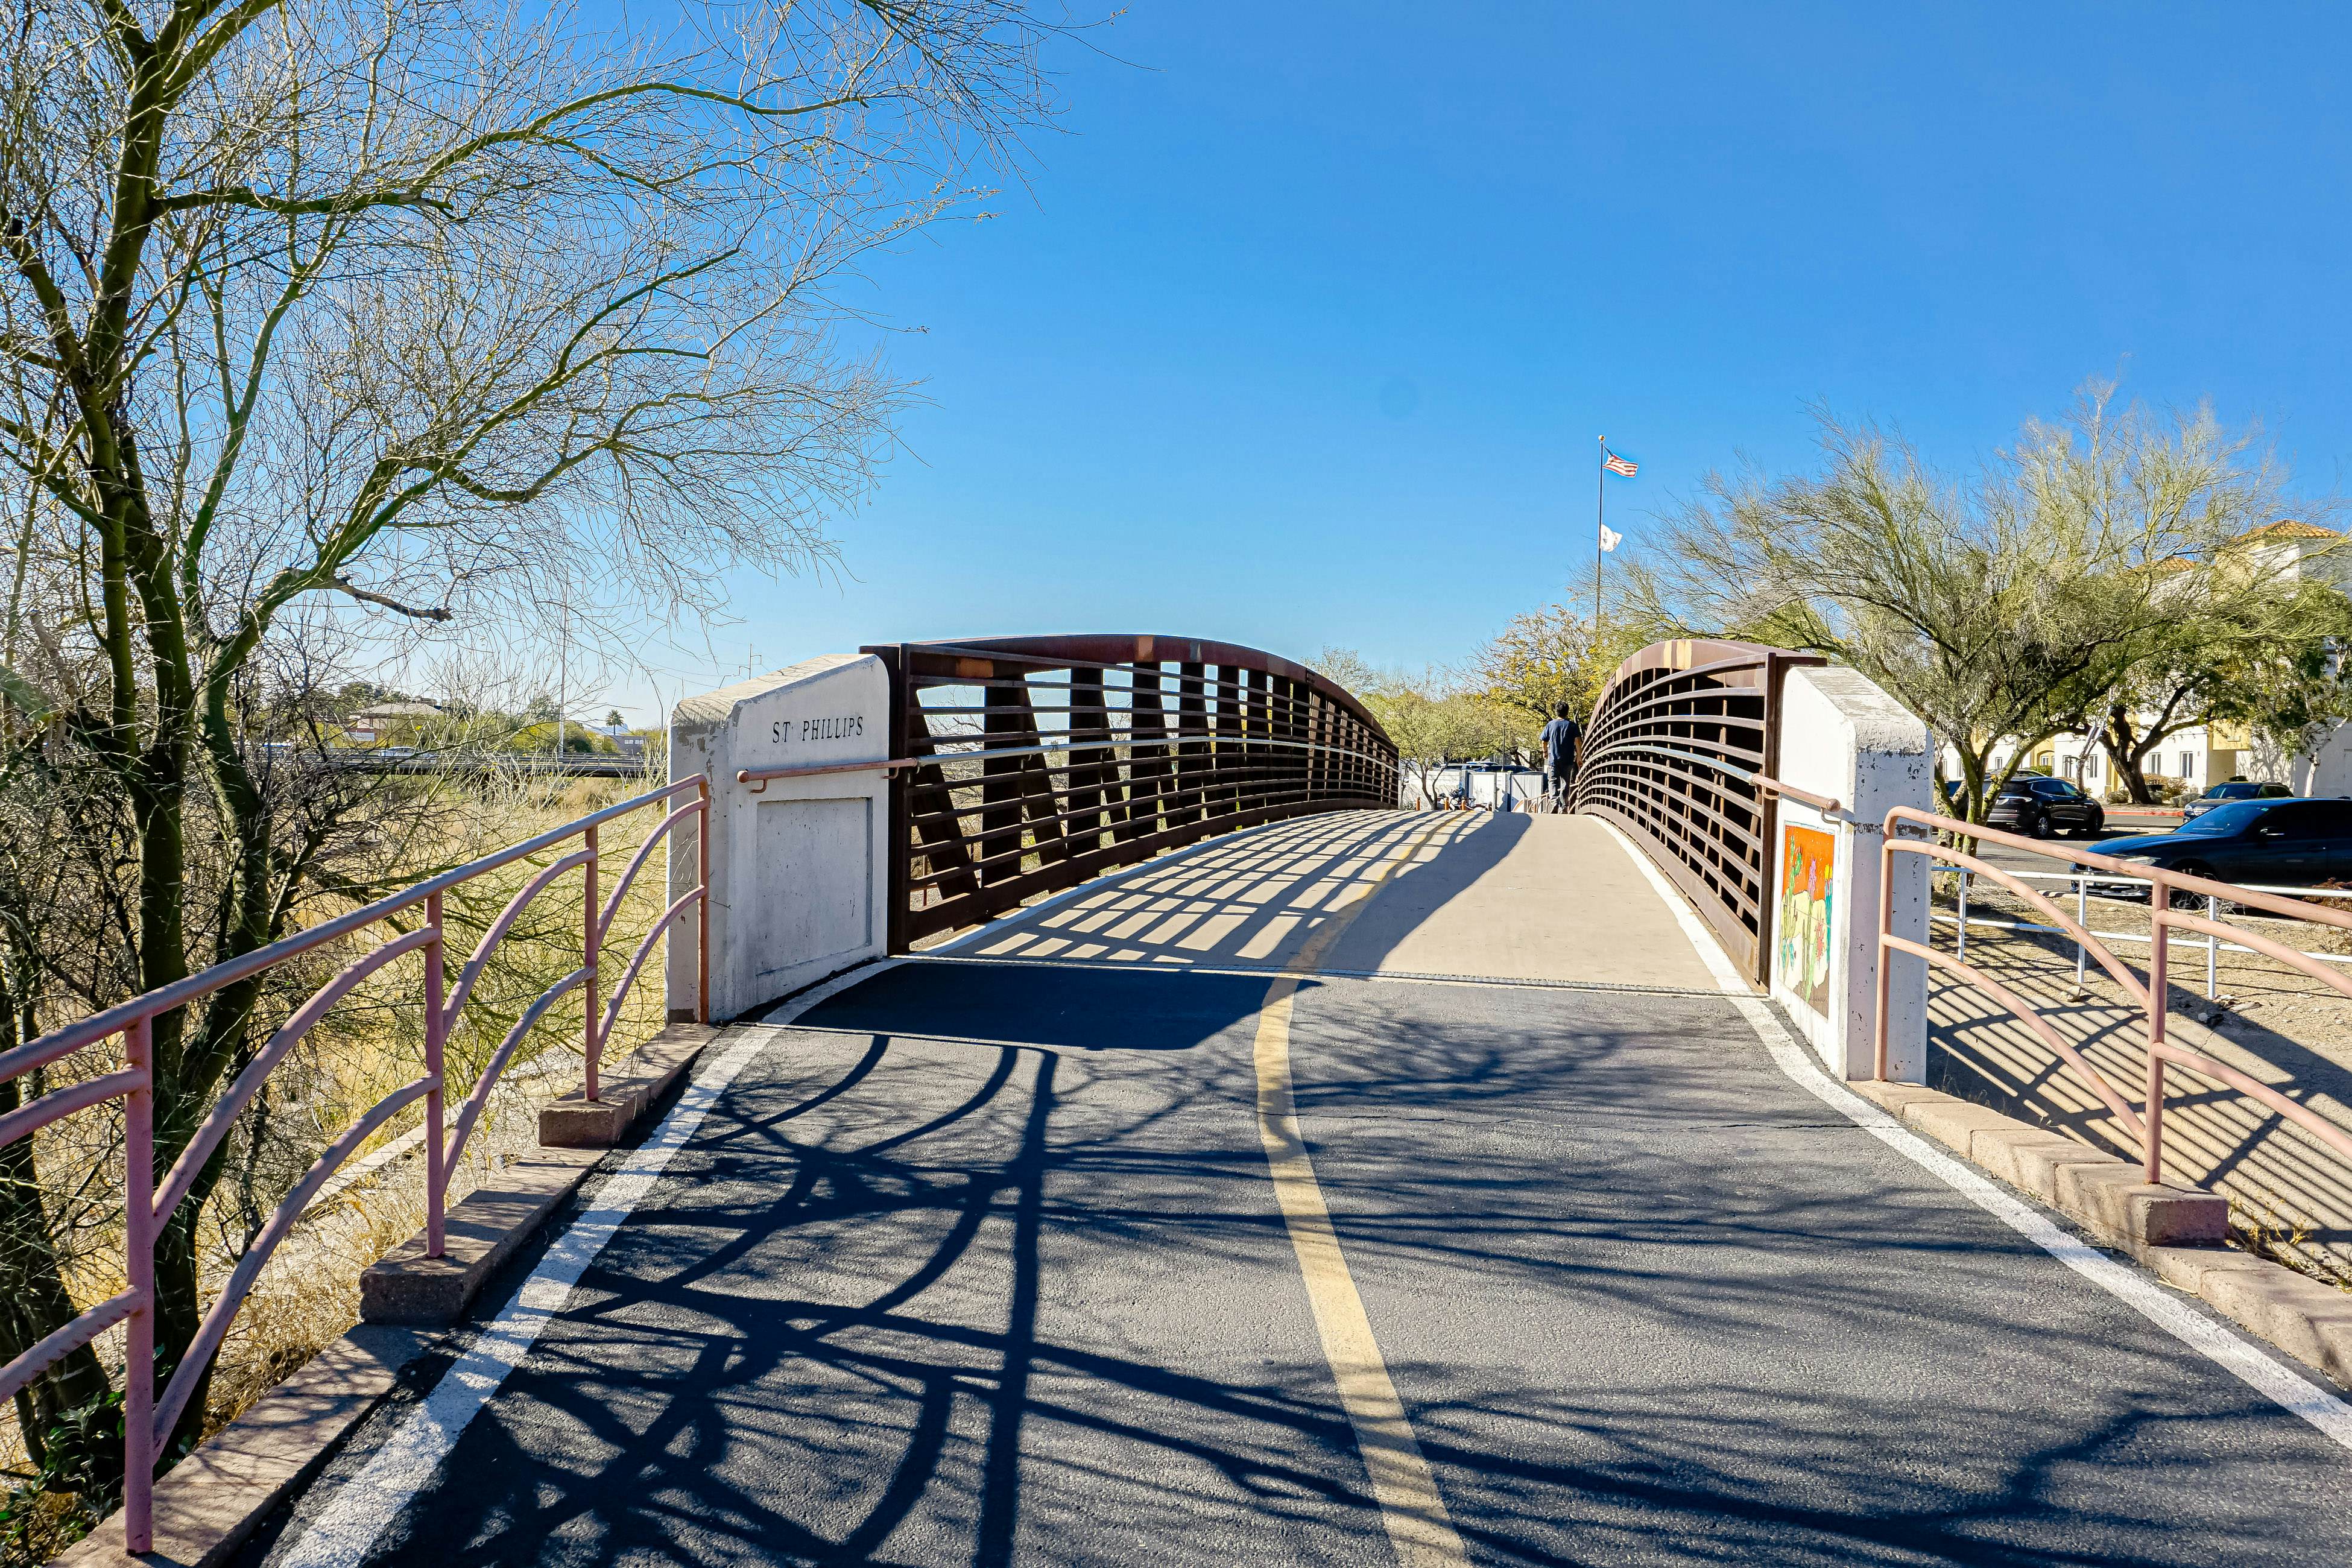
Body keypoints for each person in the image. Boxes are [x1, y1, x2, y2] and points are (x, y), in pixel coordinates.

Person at [1540, 701, 1582, 811]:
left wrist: (1545, 752)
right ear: (1567, 712)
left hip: (1553, 759)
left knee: (1553, 781)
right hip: (1568, 759)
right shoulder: (1572, 726)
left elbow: (1544, 741)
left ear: (1556, 711)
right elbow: (1578, 742)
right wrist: (1579, 757)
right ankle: (1563, 807)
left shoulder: (1551, 725)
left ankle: (1554, 801)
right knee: (1565, 783)